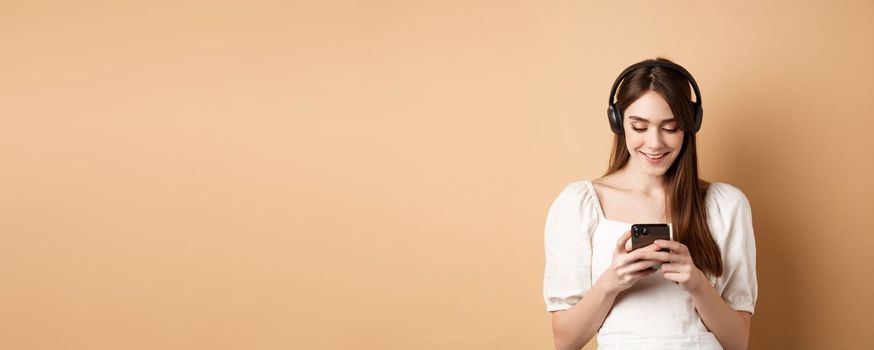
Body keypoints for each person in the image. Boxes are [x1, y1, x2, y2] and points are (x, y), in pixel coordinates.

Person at [542, 58, 758, 350]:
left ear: (690, 126)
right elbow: (565, 341)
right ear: (619, 124)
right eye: (639, 127)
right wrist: (612, 281)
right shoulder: (579, 204)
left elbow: (738, 342)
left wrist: (696, 282)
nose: (654, 143)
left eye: (670, 128)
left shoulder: (726, 205)